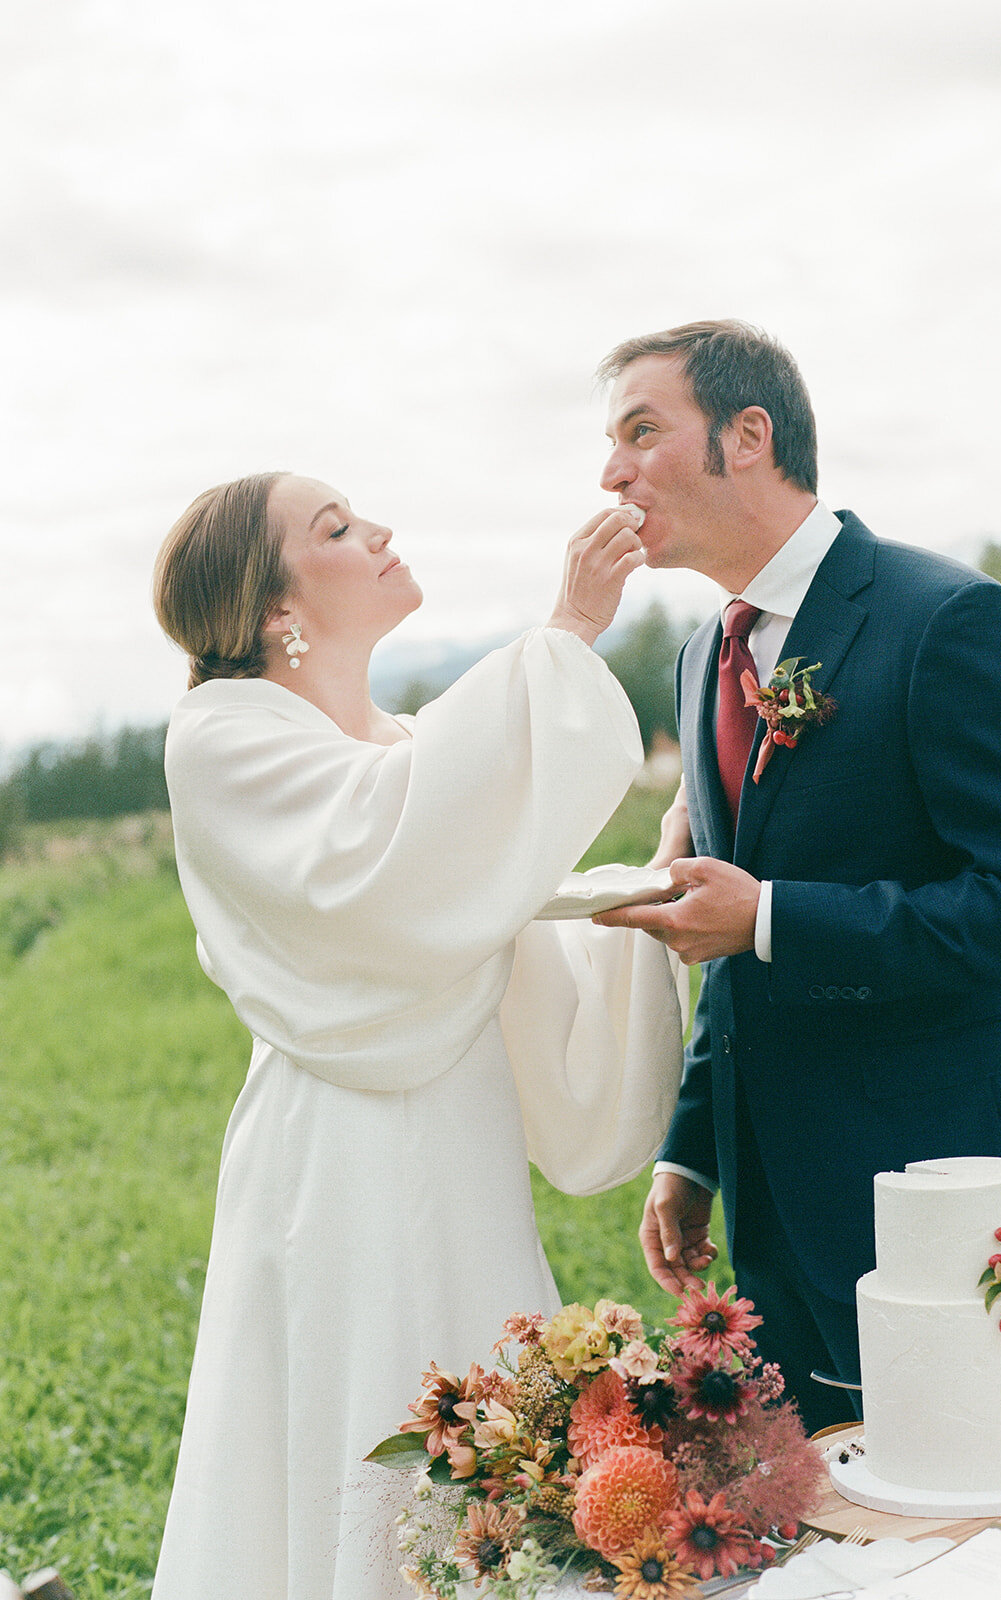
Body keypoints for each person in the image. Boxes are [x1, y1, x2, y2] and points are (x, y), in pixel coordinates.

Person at [150, 473, 686, 1599]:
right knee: (369, 1416)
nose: (379, 531)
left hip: (459, 1137)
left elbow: (472, 885)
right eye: (336, 529)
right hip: (340, 1160)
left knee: (485, 1421)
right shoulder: (218, 738)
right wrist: (566, 636)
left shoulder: (387, 737)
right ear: (270, 610)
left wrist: (641, 888)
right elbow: (392, 863)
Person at [593, 320, 1001, 1433]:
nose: (613, 472)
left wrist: (775, 915)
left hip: (950, 1191)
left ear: (748, 434)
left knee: (981, 1531)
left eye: (642, 431)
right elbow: (722, 916)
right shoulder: (701, 660)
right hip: (774, 1198)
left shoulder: (948, 622)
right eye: (610, 443)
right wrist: (689, 1149)